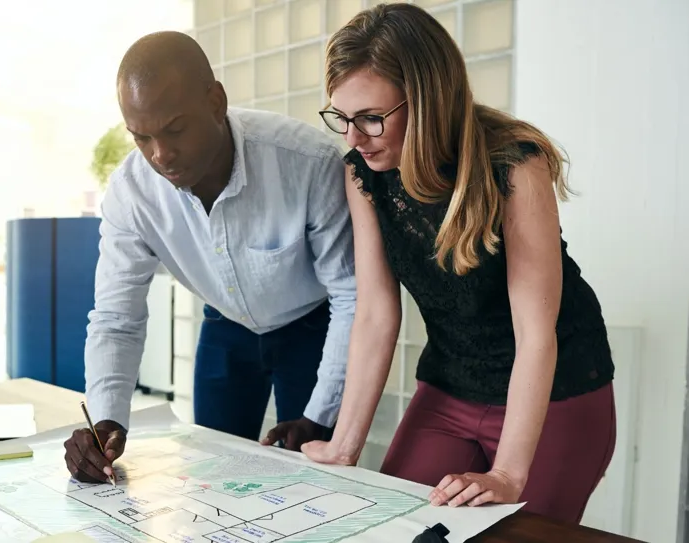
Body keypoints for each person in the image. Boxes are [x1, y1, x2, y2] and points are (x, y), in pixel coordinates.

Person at [299, 3, 616, 524]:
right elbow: (377, 313)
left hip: (558, 391)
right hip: (450, 386)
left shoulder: (515, 163)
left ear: (427, 102)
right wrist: (343, 446)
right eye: (342, 118)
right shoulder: (363, 173)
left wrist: (509, 475)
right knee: (393, 526)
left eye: (371, 118)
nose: (352, 138)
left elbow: (536, 335)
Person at [63, 31, 357, 485]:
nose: (161, 155)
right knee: (215, 479)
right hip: (225, 328)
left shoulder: (306, 162)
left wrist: (321, 414)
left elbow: (351, 295)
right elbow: (116, 319)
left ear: (216, 102)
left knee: (319, 477)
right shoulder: (131, 194)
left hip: (312, 328)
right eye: (142, 138)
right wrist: (105, 422)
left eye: (175, 129)